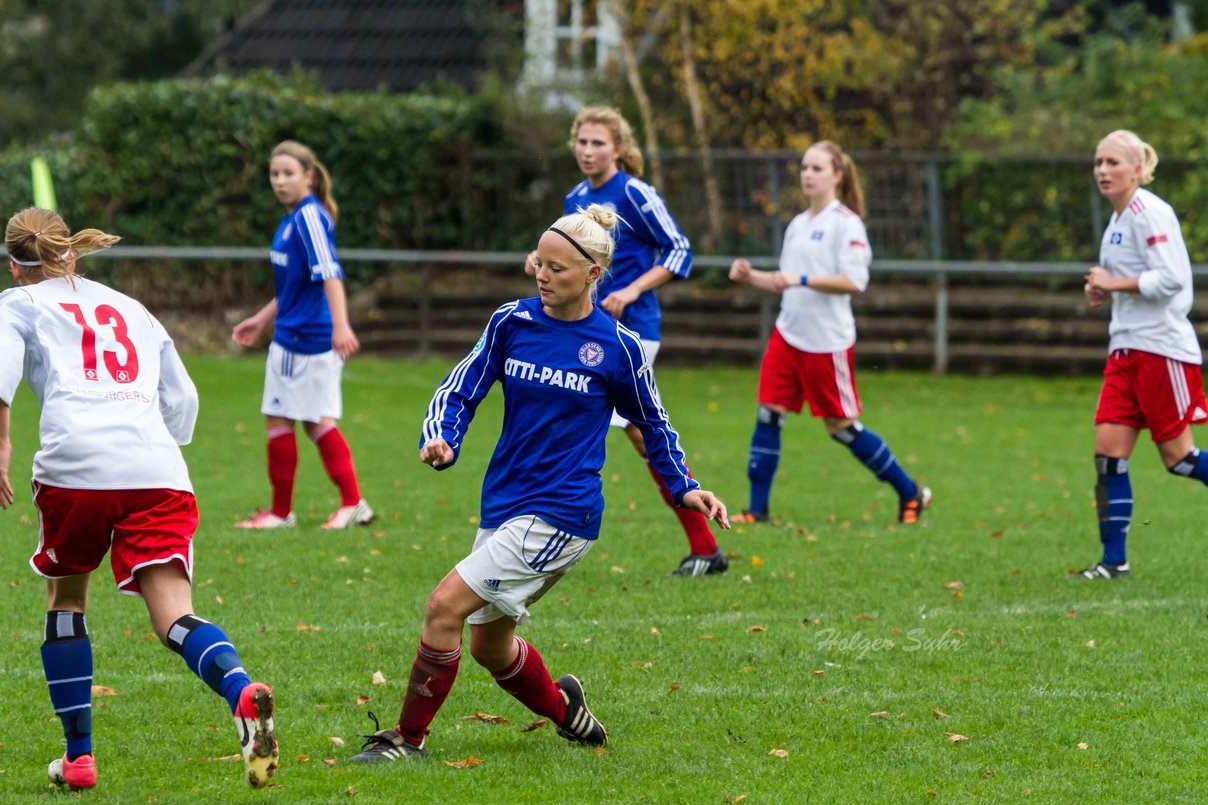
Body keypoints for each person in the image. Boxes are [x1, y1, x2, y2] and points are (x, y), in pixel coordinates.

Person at [351, 205, 730, 762]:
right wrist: (444, 437)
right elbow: (460, 388)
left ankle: (405, 740)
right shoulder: (513, 323)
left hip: (562, 513)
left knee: (442, 608)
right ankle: (566, 711)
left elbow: (653, 421)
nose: (543, 276)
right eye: (539, 264)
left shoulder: (618, 347)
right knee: (489, 645)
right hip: (505, 502)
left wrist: (685, 485)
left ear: (594, 275)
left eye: (558, 269)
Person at [0, 208, 278, 791]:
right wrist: (149, 444)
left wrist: (1, 447)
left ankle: (79, 759)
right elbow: (183, 398)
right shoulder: (130, 307)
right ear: (72, 252)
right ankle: (241, 690)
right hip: (157, 468)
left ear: (16, 269)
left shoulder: (16, 303)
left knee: (66, 599)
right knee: (174, 615)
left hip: (76, 467)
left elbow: (1, 369)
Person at [523, 105, 727, 578]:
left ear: (619, 148)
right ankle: (540, 525)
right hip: (588, 330)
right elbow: (568, 254)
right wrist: (541, 262)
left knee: (640, 430)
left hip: (635, 330)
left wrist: (632, 289)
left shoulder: (636, 193)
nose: (588, 151)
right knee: (587, 421)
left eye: (598, 143)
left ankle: (706, 545)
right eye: (582, 142)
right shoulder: (575, 196)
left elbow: (680, 249)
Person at [728, 140, 931, 525]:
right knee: (768, 415)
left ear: (837, 176)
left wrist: (802, 279)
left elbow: (855, 281)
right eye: (804, 167)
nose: (807, 174)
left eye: (817, 168)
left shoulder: (846, 223)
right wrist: (751, 275)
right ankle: (757, 510)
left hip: (826, 343)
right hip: (787, 335)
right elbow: (785, 281)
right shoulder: (797, 225)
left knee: (840, 428)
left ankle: (910, 492)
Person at [1073, 129, 1206, 579]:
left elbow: (1170, 279)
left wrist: (1113, 284)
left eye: (1113, 162)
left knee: (1181, 460)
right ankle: (1114, 562)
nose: (1103, 171)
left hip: (1160, 350)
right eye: (1098, 163)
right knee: (1108, 455)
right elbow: (1132, 282)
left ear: (1136, 168)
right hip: (1125, 349)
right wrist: (1103, 291)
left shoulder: (1150, 212)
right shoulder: (1117, 221)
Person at [232, 140, 373, 530]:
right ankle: (345, 504)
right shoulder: (293, 216)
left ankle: (289, 512)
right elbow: (295, 286)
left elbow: (329, 272)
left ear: (308, 177)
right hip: (292, 333)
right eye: (274, 174)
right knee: (309, 421)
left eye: (288, 174)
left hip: (304, 338)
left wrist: (342, 325)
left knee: (290, 419)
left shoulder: (309, 216)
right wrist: (261, 319)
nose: (279, 181)